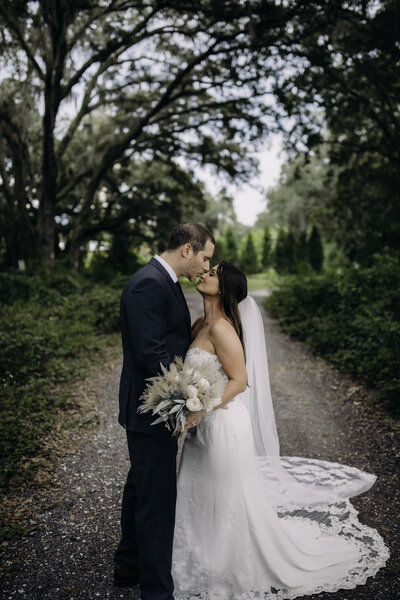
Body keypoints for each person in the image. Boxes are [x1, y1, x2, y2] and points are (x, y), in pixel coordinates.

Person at [172, 261, 389, 600]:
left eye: (213, 273)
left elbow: (240, 381)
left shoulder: (222, 329)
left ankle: (226, 565)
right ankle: (194, 557)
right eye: (208, 269)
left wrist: (201, 408)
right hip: (203, 426)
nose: (205, 274)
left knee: (224, 497)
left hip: (222, 426)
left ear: (225, 288)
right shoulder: (201, 322)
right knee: (197, 490)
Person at [114, 222, 215, 600]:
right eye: (205, 257)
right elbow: (152, 353)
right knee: (157, 500)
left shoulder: (165, 280)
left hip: (154, 405)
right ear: (187, 249)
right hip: (152, 407)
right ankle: (156, 592)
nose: (206, 266)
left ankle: (128, 563)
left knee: (141, 484)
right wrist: (191, 396)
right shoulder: (148, 283)